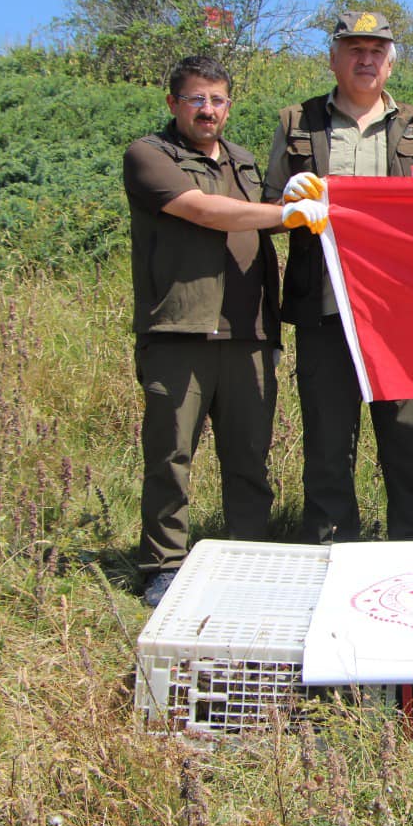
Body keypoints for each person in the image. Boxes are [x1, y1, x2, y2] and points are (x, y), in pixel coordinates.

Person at [124, 55, 327, 605]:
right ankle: (163, 563)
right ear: (173, 104)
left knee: (249, 456)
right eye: (195, 99)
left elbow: (257, 215)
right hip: (180, 330)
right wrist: (285, 212)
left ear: (228, 106)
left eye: (216, 100)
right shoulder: (149, 155)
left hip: (249, 331)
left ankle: (249, 552)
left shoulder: (241, 160)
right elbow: (208, 212)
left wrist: (295, 201)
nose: (207, 110)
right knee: (170, 455)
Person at [262, 12, 413, 544]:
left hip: (397, 310)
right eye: (354, 49)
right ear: (334, 58)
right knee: (327, 434)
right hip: (323, 303)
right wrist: (289, 201)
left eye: (377, 51)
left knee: (409, 435)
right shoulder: (297, 122)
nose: (366, 60)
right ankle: (330, 544)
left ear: (391, 61)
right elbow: (269, 207)